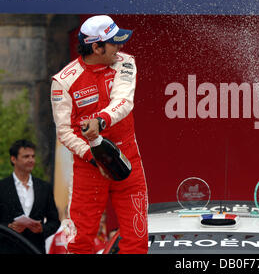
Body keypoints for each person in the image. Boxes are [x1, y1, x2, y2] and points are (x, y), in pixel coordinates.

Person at [50, 15, 148, 254]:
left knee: (137, 240)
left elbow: (123, 101)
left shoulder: (125, 62)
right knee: (79, 240)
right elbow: (64, 131)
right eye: (114, 42)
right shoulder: (63, 81)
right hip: (88, 167)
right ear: (96, 47)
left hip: (127, 159)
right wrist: (94, 157)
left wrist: (99, 121)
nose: (120, 47)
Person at [0, 139, 60, 254]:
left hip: (35, 249)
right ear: (13, 159)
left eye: (33, 156)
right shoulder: (2, 187)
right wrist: (9, 227)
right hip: (7, 249)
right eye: (26, 156)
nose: (31, 160)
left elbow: (55, 221)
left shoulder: (44, 187)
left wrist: (42, 229)